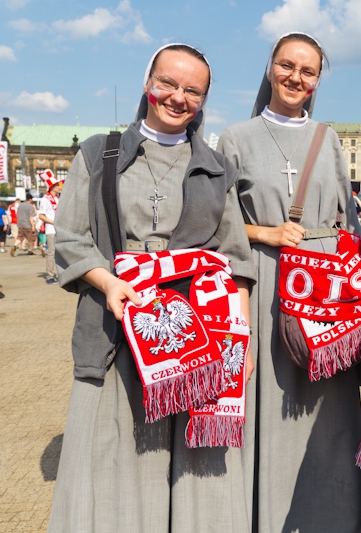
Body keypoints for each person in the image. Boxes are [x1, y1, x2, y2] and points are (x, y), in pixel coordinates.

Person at [48, 43, 256, 533]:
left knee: (195, 464)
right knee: (114, 452)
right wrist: (108, 283)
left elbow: (235, 256)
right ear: (148, 83)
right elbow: (72, 235)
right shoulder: (99, 152)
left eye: (192, 90)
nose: (177, 96)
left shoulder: (217, 166)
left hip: (196, 331)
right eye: (167, 82)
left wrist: (240, 336)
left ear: (203, 100)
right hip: (116, 322)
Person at [217, 32, 361, 533]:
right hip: (264, 279)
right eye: (287, 65)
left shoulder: (330, 137)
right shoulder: (236, 137)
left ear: (317, 80)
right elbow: (216, 222)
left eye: (308, 71)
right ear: (269, 67)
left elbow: (350, 220)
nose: (296, 78)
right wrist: (265, 231)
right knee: (272, 401)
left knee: (329, 412)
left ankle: (332, 515)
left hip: (329, 292)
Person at [38, 175, 62, 283]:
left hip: (60, 229)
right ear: (52, 187)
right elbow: (41, 215)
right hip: (51, 229)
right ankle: (50, 276)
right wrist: (53, 222)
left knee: (61, 252)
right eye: (57, 185)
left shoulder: (58, 198)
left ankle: (60, 274)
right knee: (51, 252)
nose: (59, 186)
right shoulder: (45, 199)